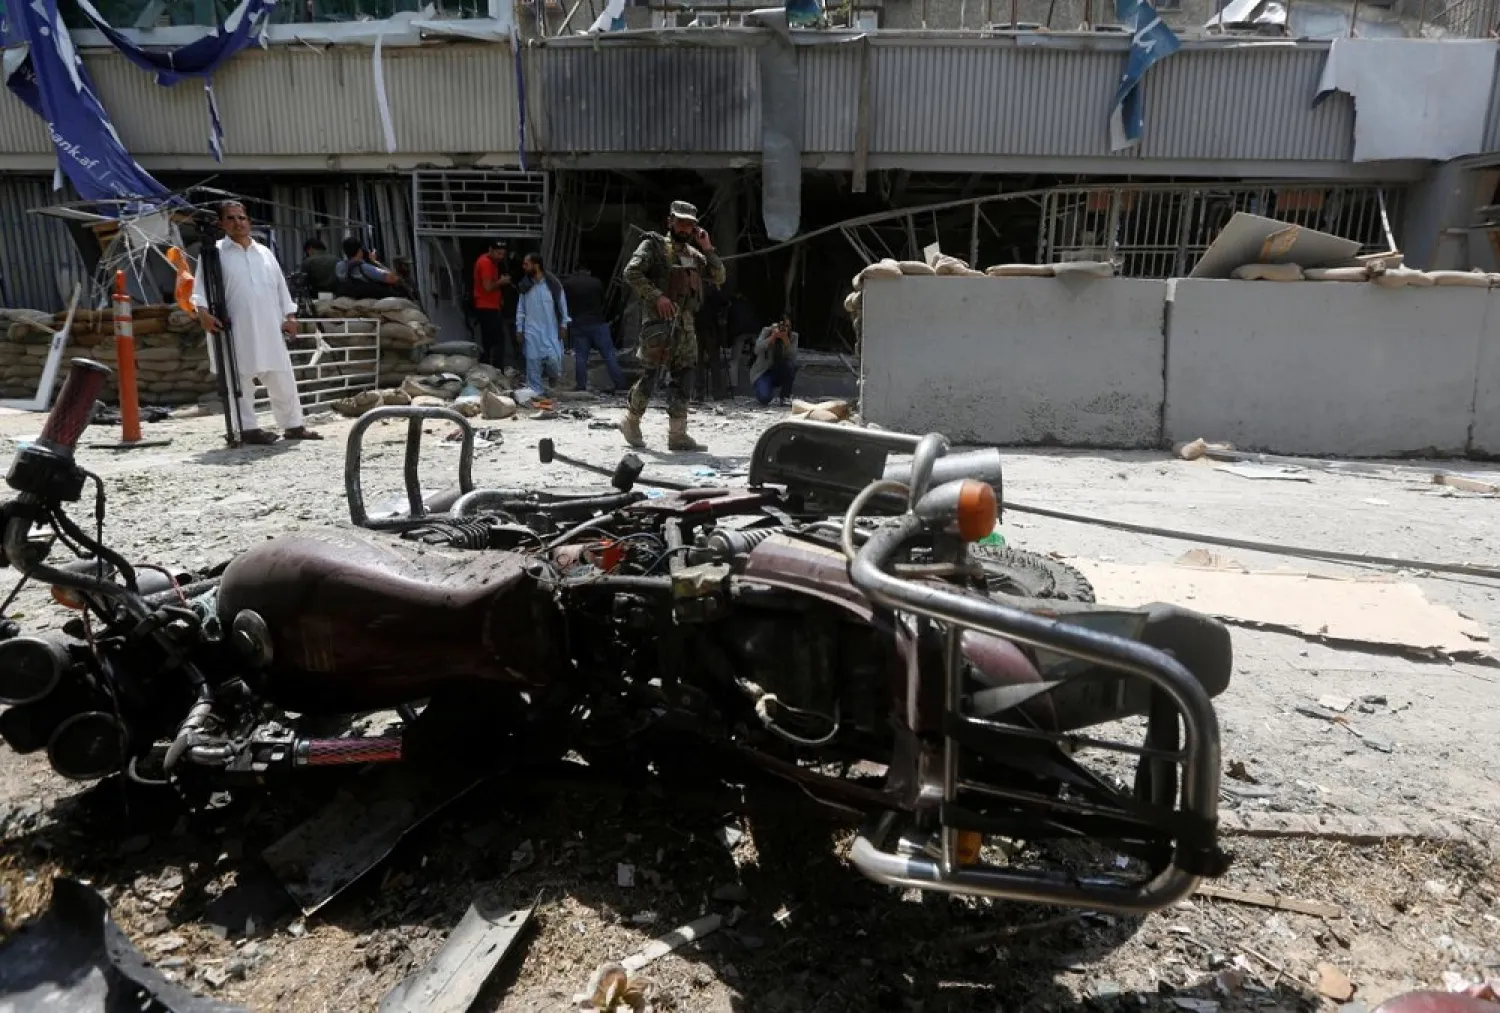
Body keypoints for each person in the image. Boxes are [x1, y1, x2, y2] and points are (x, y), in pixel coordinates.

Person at [191, 201, 321, 446]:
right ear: (221, 224)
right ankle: (248, 429)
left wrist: (290, 316)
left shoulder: (264, 253)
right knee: (239, 380)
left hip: (270, 325)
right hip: (236, 328)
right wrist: (203, 313)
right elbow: (200, 289)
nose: (238, 223)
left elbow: (281, 288)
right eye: (230, 218)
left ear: (248, 221)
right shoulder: (214, 253)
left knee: (282, 377)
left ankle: (293, 425)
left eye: (241, 217)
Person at [618, 200, 726, 452]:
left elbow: (719, 275)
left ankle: (677, 434)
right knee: (650, 376)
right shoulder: (653, 246)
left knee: (684, 377)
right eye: (681, 222)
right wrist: (658, 296)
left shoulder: (694, 255)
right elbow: (631, 272)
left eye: (690, 224)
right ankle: (631, 421)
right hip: (659, 322)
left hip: (686, 325)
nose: (685, 228)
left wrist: (708, 247)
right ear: (670, 222)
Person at [562, 264, 625, 394]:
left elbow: (564, 304)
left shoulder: (568, 284)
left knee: (581, 357)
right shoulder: (596, 282)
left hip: (579, 323)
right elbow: (603, 301)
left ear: (575, 271)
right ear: (588, 271)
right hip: (597, 322)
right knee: (608, 355)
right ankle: (620, 384)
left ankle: (581, 386)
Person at [516, 252, 569, 395]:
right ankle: (536, 392)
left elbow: (562, 304)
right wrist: (519, 329)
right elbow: (521, 309)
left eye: (527, 264)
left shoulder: (553, 284)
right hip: (531, 330)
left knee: (554, 360)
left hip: (551, 329)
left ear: (536, 265)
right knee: (532, 361)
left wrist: (564, 324)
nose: (524, 267)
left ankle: (553, 377)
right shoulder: (525, 286)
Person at [472, 241, 517, 373]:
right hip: (486, 307)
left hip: (491, 306)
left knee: (492, 340)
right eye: (498, 253)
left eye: (503, 254)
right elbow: (487, 287)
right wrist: (501, 282)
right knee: (496, 341)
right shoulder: (485, 263)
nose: (500, 256)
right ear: (490, 249)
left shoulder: (493, 263)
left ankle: (491, 369)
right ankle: (494, 369)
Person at [750, 316, 799, 406]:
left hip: (779, 370)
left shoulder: (793, 336)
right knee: (764, 398)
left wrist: (786, 340)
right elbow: (757, 350)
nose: (784, 328)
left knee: (791, 366)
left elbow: (793, 357)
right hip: (763, 372)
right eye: (781, 325)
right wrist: (772, 337)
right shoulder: (766, 331)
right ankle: (764, 388)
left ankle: (785, 397)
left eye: (787, 326)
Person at [336, 238, 404, 299]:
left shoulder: (339, 266)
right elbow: (392, 279)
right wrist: (375, 262)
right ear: (360, 251)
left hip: (349, 296)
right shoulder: (365, 267)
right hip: (368, 297)